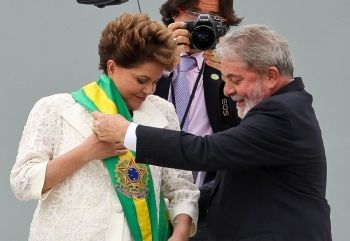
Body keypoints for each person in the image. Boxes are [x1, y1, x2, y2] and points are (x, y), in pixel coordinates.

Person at [92, 24, 333, 241]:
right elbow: (231, 183)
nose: (227, 90)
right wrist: (179, 204)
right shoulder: (284, 108)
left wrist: (127, 132)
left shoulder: (281, 113)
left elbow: (206, 151)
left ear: (270, 75)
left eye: (235, 80)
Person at [10, 13, 199, 241]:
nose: (149, 90)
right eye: (141, 80)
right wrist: (87, 151)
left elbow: (181, 188)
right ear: (112, 67)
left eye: (155, 81)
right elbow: (23, 183)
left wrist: (180, 233)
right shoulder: (55, 108)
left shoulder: (163, 111)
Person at [155, 1, 242, 240]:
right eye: (194, 13)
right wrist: (158, 61)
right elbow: (121, 112)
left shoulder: (229, 69)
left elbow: (246, 133)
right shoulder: (149, 63)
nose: (201, 23)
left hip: (204, 209)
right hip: (147, 202)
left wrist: (232, 79)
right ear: (175, 13)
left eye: (213, 17)